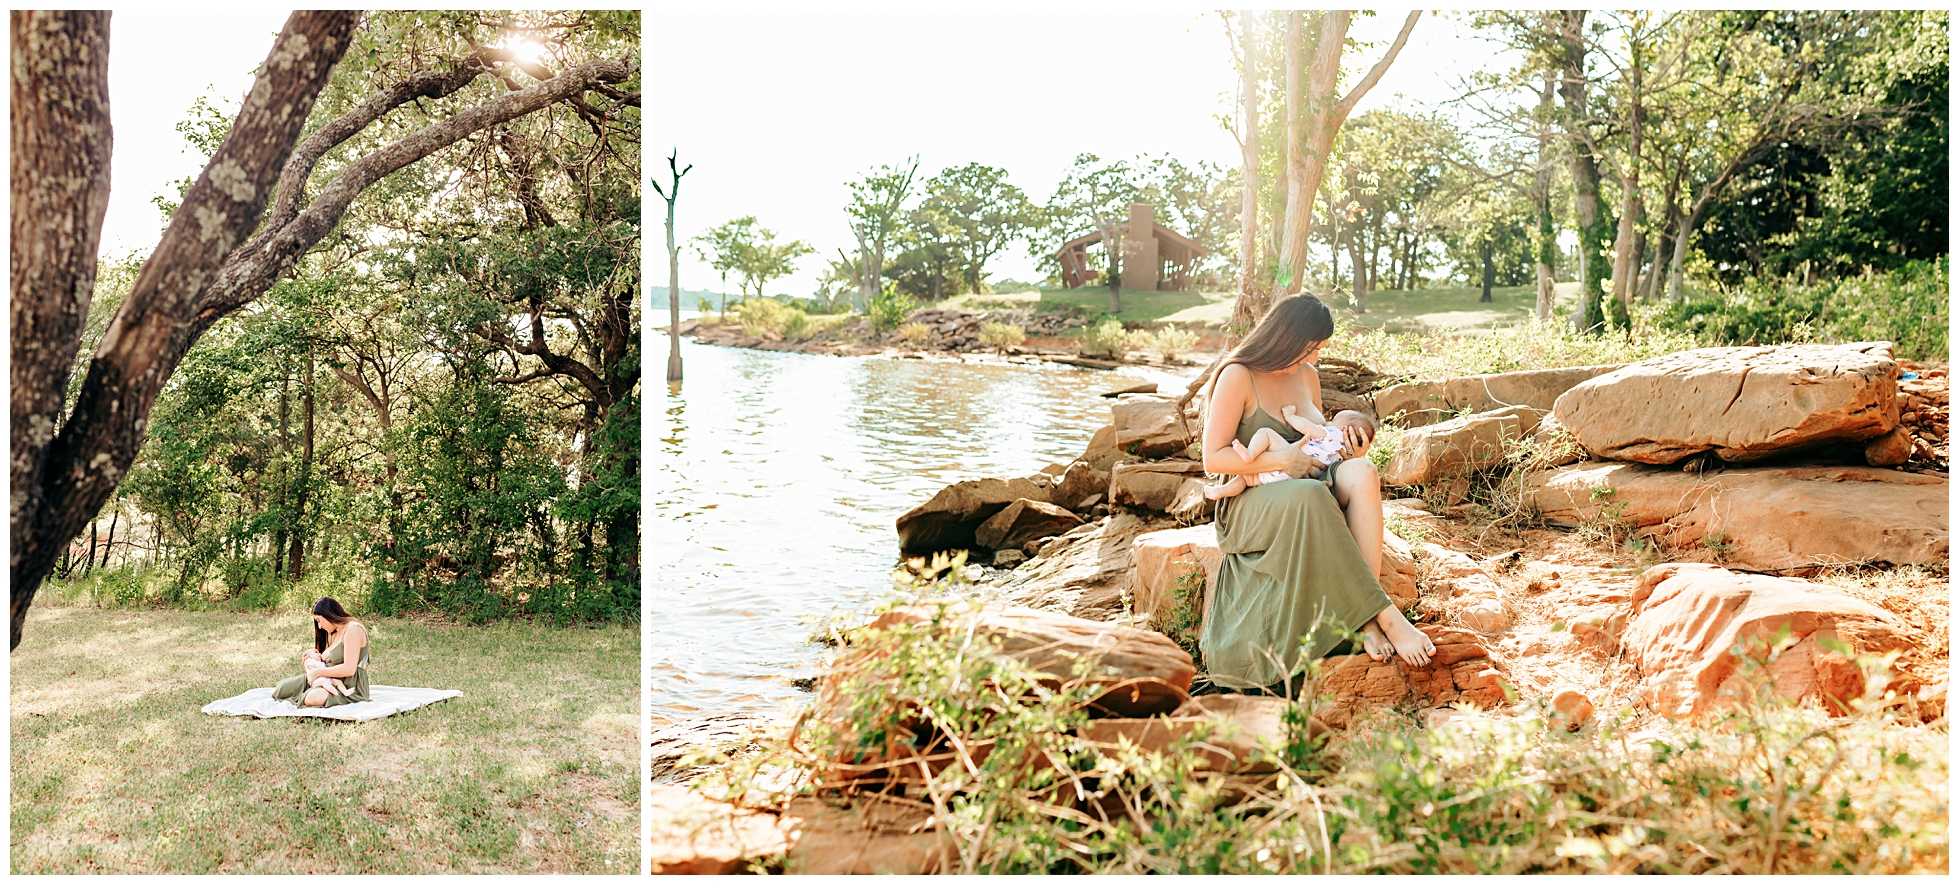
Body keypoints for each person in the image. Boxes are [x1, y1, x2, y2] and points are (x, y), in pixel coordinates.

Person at [1198, 294, 1434, 689]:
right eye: (1310, 347)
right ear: (1285, 336)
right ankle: (1381, 616)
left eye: (1319, 348)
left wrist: (1346, 451)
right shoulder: (1238, 375)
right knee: (1310, 494)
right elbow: (1214, 458)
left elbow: (1318, 443)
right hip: (1251, 499)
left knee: (1362, 472)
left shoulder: (1307, 375)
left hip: (1308, 483)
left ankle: (1366, 615)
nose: (1315, 356)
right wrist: (1282, 461)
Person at [1203, 407, 1377, 501]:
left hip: (1287, 462)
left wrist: (1290, 415)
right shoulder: (1342, 454)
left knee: (1264, 438)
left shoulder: (1330, 434)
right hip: (1298, 481)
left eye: (1333, 420)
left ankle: (1246, 458)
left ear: (1343, 429)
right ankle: (1221, 490)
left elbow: (1306, 426)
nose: (1328, 422)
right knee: (1249, 479)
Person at [272, 597, 371, 707]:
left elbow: (349, 669)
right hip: (326, 678)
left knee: (312, 698)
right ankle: (310, 692)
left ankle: (311, 694)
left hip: (348, 685)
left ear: (329, 614)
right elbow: (326, 660)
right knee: (281, 689)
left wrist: (318, 672)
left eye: (319, 620)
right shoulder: (335, 632)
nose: (319, 626)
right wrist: (310, 659)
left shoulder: (353, 629)